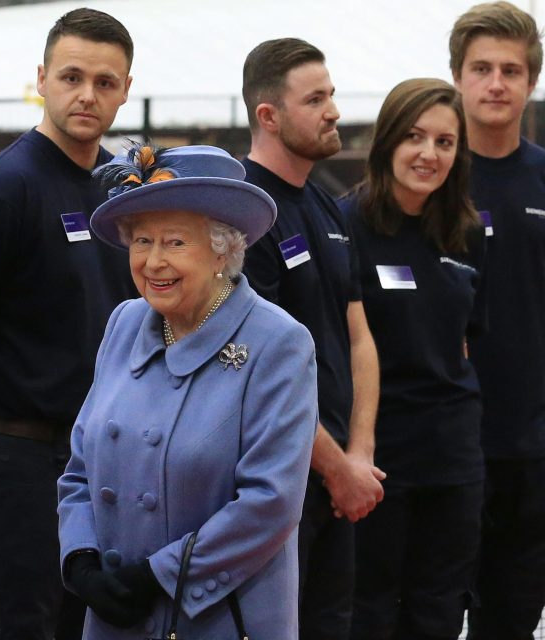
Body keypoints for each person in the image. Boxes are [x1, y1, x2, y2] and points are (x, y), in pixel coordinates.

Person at [0, 8, 137, 638]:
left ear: (124, 90)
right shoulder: (0, 189)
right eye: (71, 76)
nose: (87, 94)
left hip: (98, 464)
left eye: (105, 81)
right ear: (41, 78)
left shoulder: (117, 194)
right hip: (16, 468)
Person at [57, 143, 317, 639]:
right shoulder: (125, 323)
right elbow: (78, 471)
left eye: (175, 242)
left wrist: (160, 575)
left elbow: (271, 501)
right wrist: (82, 559)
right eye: (142, 241)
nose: (153, 262)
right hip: (118, 615)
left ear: (224, 249)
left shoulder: (277, 342)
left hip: (216, 616)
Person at [240, 37, 382, 639]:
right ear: (268, 115)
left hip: (338, 476)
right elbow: (258, 369)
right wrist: (334, 468)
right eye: (316, 98)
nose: (333, 111)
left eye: (332, 95)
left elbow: (358, 337)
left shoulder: (327, 207)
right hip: (279, 481)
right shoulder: (244, 213)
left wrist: (361, 455)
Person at [338, 79, 485, 640]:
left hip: (453, 458)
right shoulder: (346, 225)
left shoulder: (467, 232)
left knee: (440, 608)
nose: (429, 154)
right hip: (377, 458)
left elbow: (466, 340)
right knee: (369, 609)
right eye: (415, 137)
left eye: (445, 142)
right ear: (387, 141)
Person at [448, 3, 545, 637]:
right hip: (445, 446)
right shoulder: (427, 178)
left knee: (510, 620)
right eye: (481, 68)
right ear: (456, 76)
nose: (495, 83)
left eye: (511, 70)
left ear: (531, 82)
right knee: (423, 615)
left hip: (534, 450)